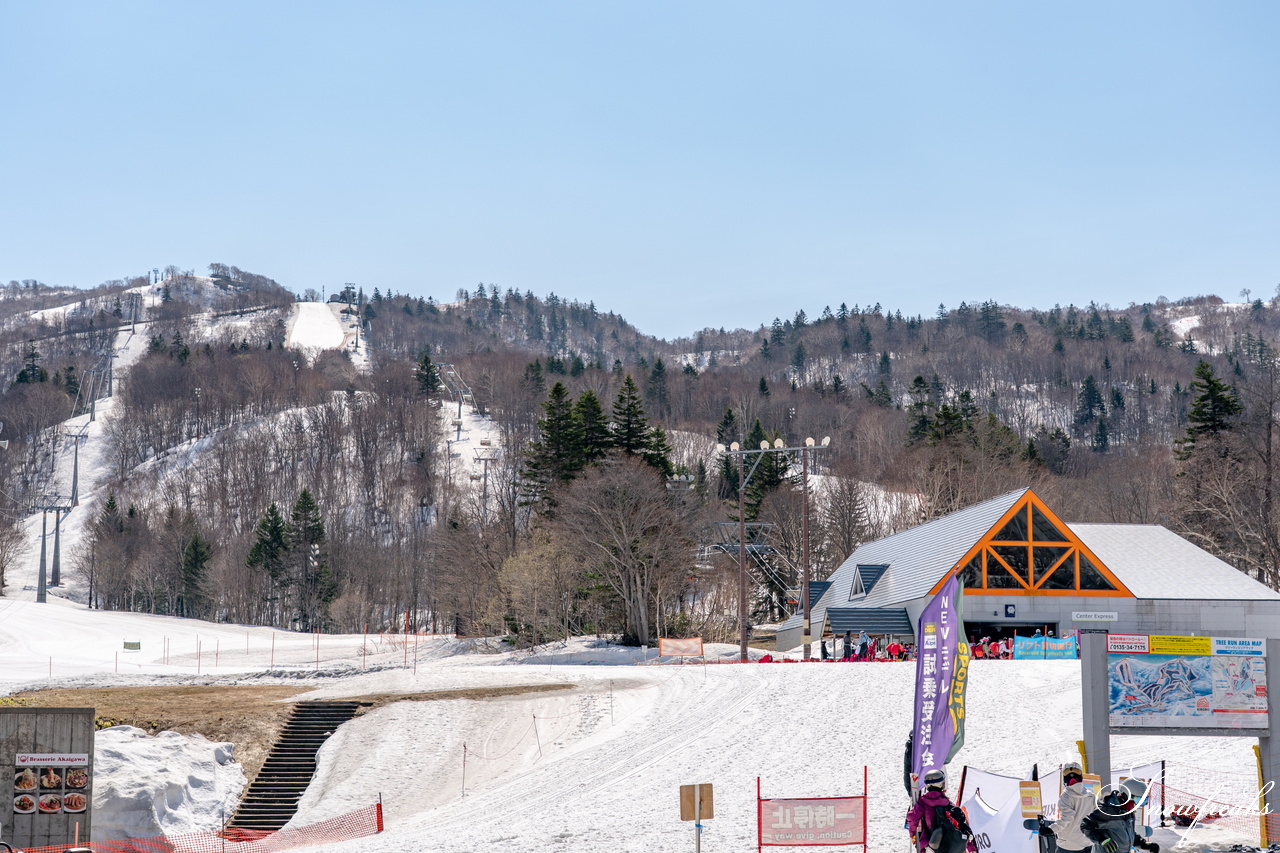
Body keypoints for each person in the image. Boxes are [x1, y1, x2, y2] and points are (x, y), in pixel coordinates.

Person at [1080, 777, 1160, 853]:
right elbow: (1085, 825)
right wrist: (1102, 839)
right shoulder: (1108, 810)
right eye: (1138, 800)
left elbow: (1128, 834)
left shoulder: (1128, 812)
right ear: (1127, 796)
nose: (1137, 805)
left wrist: (1143, 844)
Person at [907, 769, 977, 853]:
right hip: (948, 845)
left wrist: (913, 835)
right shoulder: (948, 804)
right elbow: (959, 825)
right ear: (942, 784)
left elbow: (912, 817)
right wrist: (971, 847)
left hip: (928, 845)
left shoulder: (922, 802)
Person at [1043, 761, 1093, 853]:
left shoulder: (1066, 796)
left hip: (1069, 845)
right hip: (1087, 842)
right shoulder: (1091, 795)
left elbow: (1067, 818)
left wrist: (1051, 829)